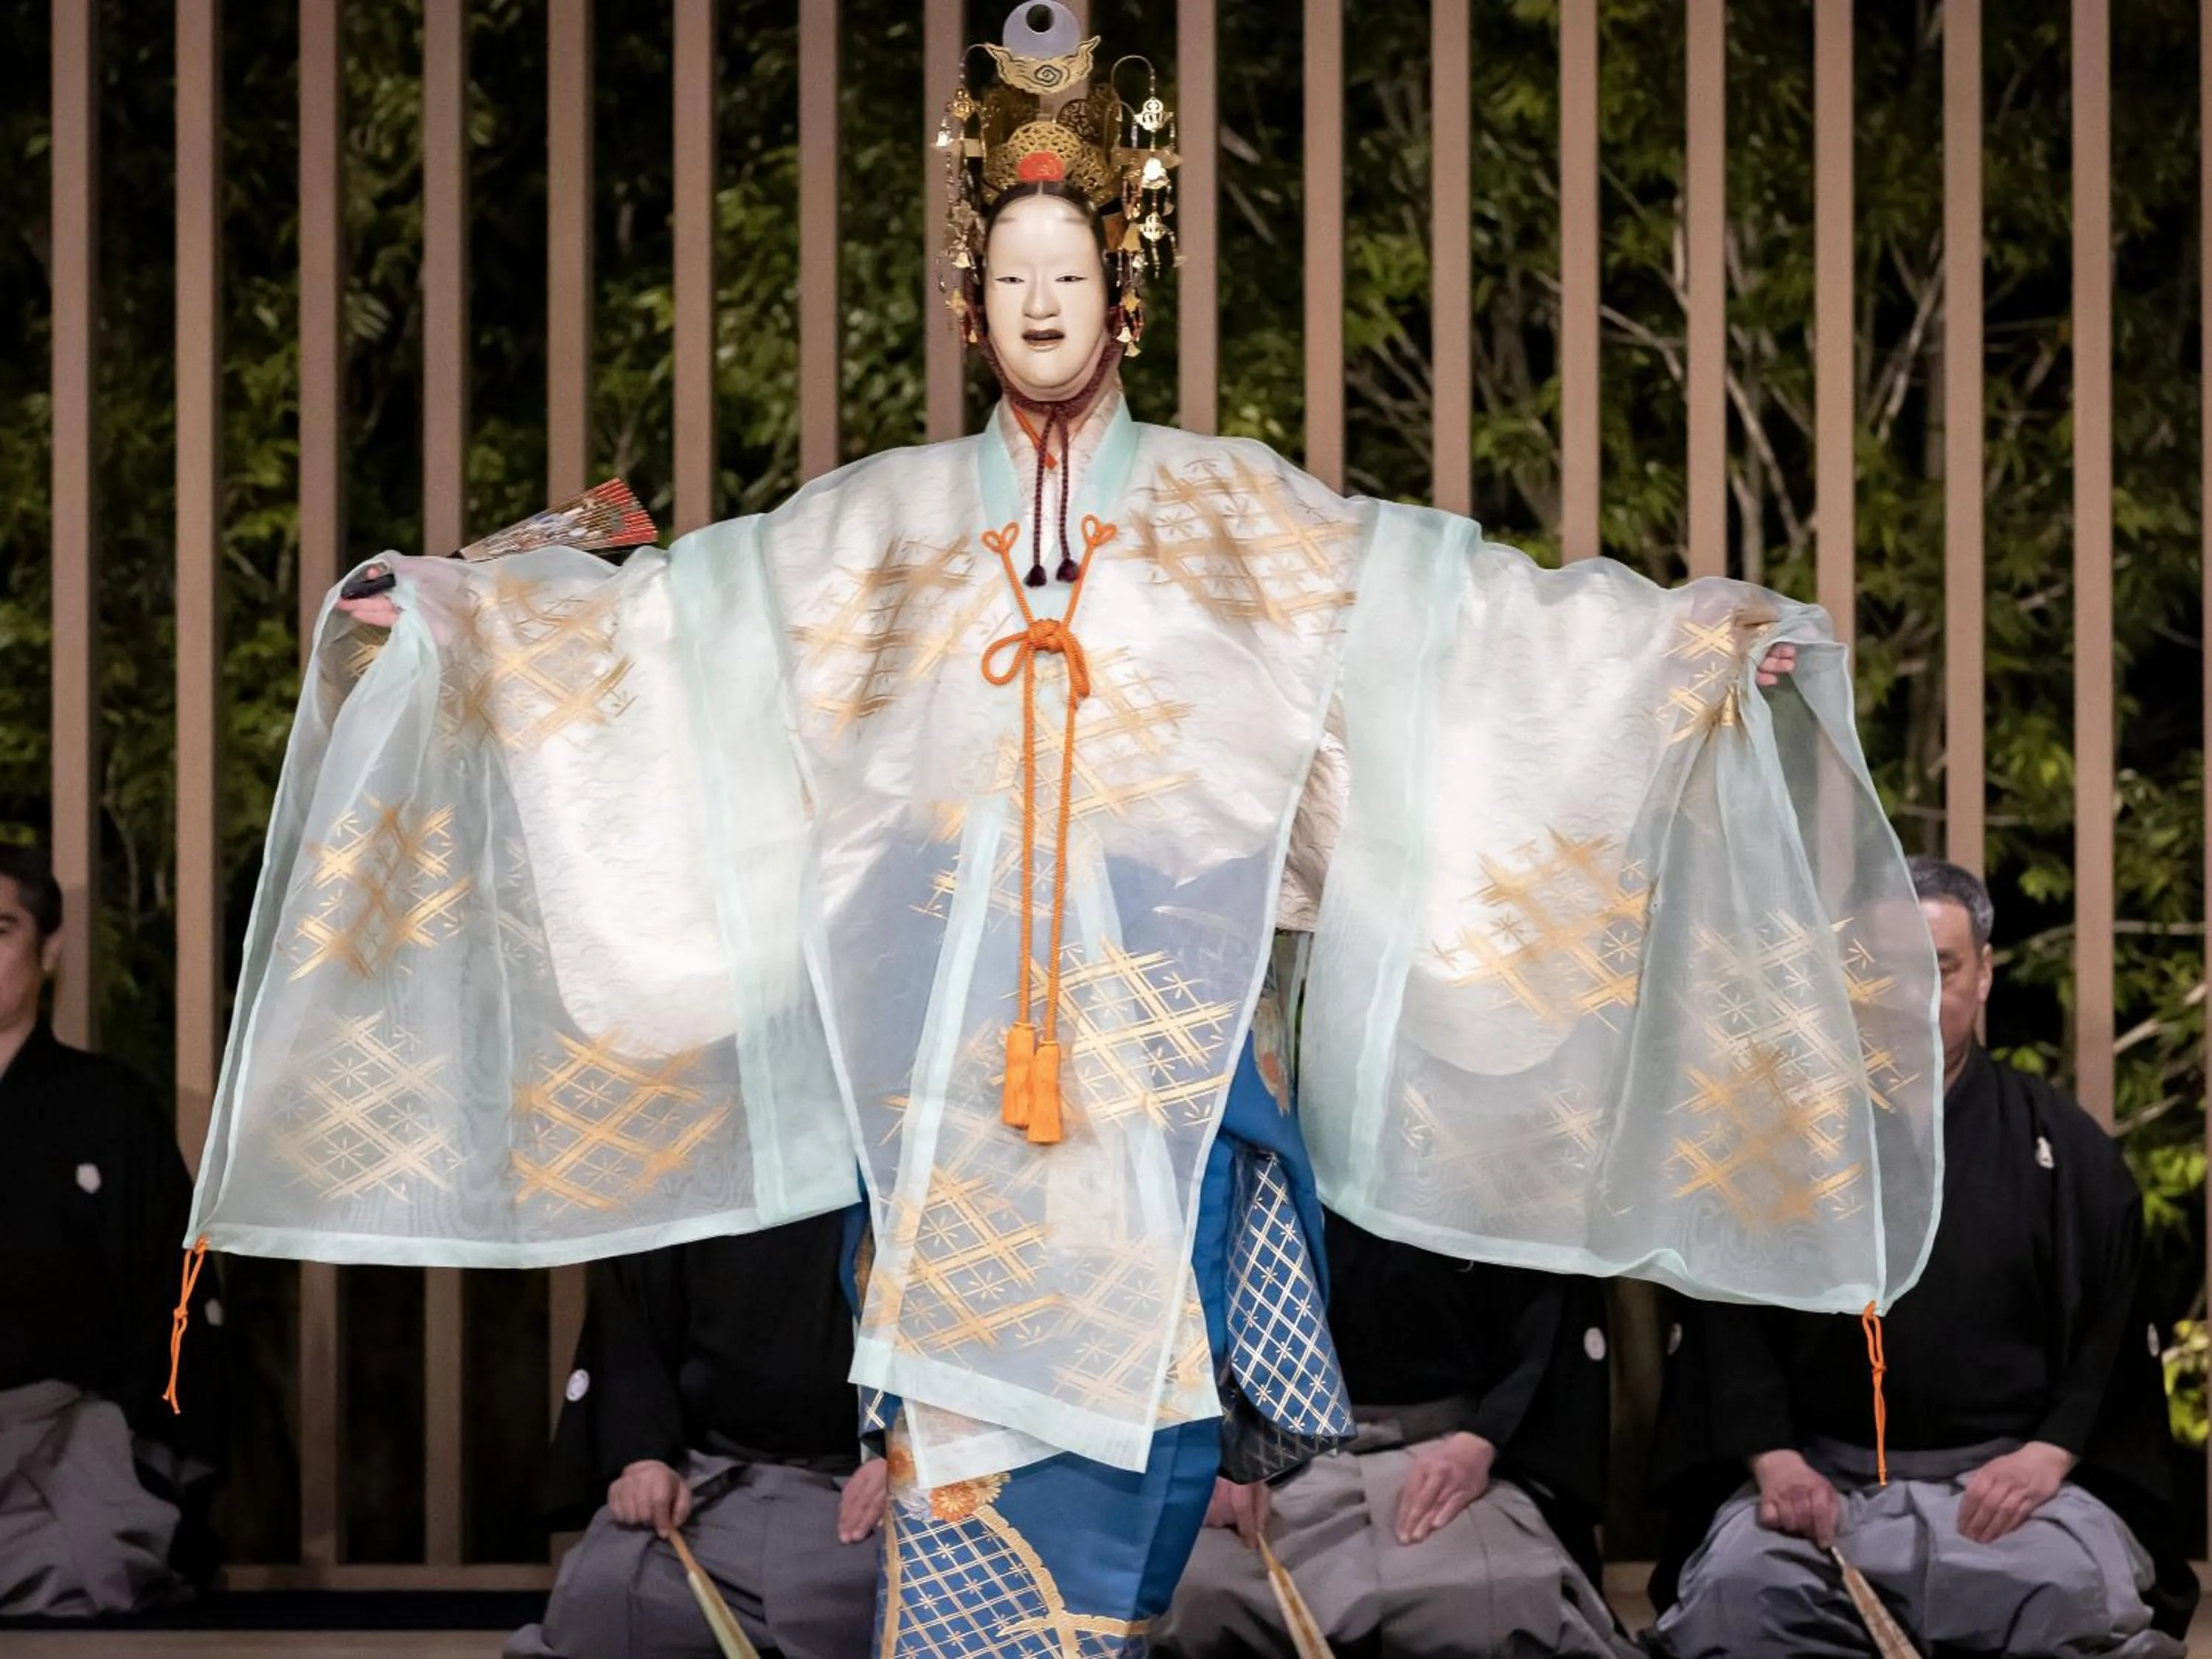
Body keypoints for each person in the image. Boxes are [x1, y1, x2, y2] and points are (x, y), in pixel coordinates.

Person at [179, 4, 1941, 1647]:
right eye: (1008, 270)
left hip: (1163, 1097)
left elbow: (1450, 628)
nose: (1040, 301)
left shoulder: (1231, 514)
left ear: (1125, 284)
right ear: (967, 300)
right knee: (977, 1493)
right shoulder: (875, 528)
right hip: (952, 1112)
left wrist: (1676, 649)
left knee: (1143, 1478)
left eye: (1071, 267)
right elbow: (677, 638)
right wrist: (479, 623)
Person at [1646, 855, 2197, 1658]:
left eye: (1939, 969)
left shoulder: (2062, 1149)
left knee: (2069, 1594)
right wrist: (1774, 1460)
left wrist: (2049, 1456)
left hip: (2011, 1497)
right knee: (1738, 1596)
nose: (1912, 997)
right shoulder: (1776, 1145)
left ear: (1983, 977)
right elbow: (1725, 1322)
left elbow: (2113, 1336)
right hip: (1821, 1495)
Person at [1158, 1217, 1630, 1658]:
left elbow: (1547, 1314)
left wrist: (1485, 1437)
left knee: (1505, 1589)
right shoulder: (1244, 1140)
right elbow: (1170, 1306)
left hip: (1448, 1443)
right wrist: (1210, 1443)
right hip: (1263, 1444)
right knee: (1198, 1591)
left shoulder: (1490, 1154)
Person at [0, 841, 225, 1615]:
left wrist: (142, 1434)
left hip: (67, 1428)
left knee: (91, 1557)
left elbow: (177, 1297)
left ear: (49, 948)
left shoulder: (108, 1107)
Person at [505, 1214, 884, 1659]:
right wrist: (643, 1457)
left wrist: (906, 1458)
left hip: (866, 1489)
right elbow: (633, 1320)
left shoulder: (914, 1170)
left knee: (876, 1607)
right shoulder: (700, 1171)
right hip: (710, 1484)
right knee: (602, 1592)